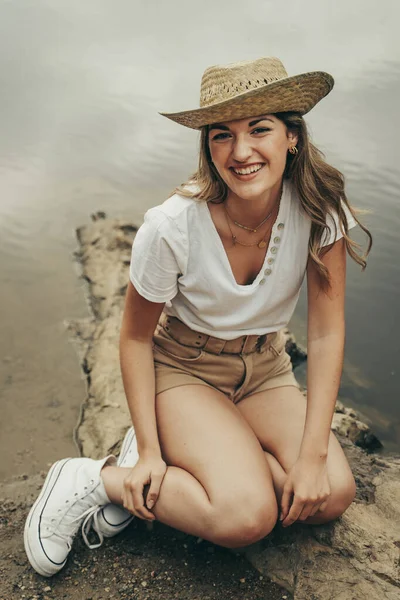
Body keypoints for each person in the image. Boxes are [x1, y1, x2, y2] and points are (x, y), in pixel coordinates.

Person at [24, 56, 372, 577]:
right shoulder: (172, 226)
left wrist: (314, 455)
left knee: (331, 493)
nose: (242, 151)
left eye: (260, 129)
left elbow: (324, 334)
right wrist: (150, 459)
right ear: (207, 148)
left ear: (292, 136)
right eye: (221, 136)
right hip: (184, 369)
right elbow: (136, 339)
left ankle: (198, 449)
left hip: (267, 370)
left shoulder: (321, 208)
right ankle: (99, 478)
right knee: (246, 515)